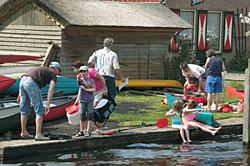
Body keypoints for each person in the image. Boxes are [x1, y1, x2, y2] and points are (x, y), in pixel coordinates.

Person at [17, 62, 62, 141]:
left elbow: (26, 77)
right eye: (59, 71)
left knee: (24, 110)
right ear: (56, 68)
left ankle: (23, 132)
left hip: (22, 81)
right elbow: (51, 89)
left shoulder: (42, 69)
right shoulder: (53, 74)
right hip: (31, 82)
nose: (58, 73)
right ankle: (38, 134)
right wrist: (48, 104)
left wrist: (20, 93)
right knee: (39, 110)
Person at [72, 60, 107, 134]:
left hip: (98, 91)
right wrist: (77, 99)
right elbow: (80, 87)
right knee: (84, 112)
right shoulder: (80, 76)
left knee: (93, 109)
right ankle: (83, 130)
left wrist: (105, 89)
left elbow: (102, 78)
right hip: (88, 94)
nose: (74, 71)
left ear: (79, 68)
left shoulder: (91, 71)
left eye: (75, 69)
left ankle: (93, 129)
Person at [74, 66, 96, 137]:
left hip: (90, 100)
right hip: (82, 100)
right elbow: (79, 83)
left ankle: (88, 130)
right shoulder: (80, 80)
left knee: (90, 115)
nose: (82, 73)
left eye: (84, 71)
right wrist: (77, 100)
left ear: (87, 72)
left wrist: (86, 89)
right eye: (81, 71)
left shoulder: (91, 81)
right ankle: (81, 130)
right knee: (81, 115)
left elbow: (94, 89)